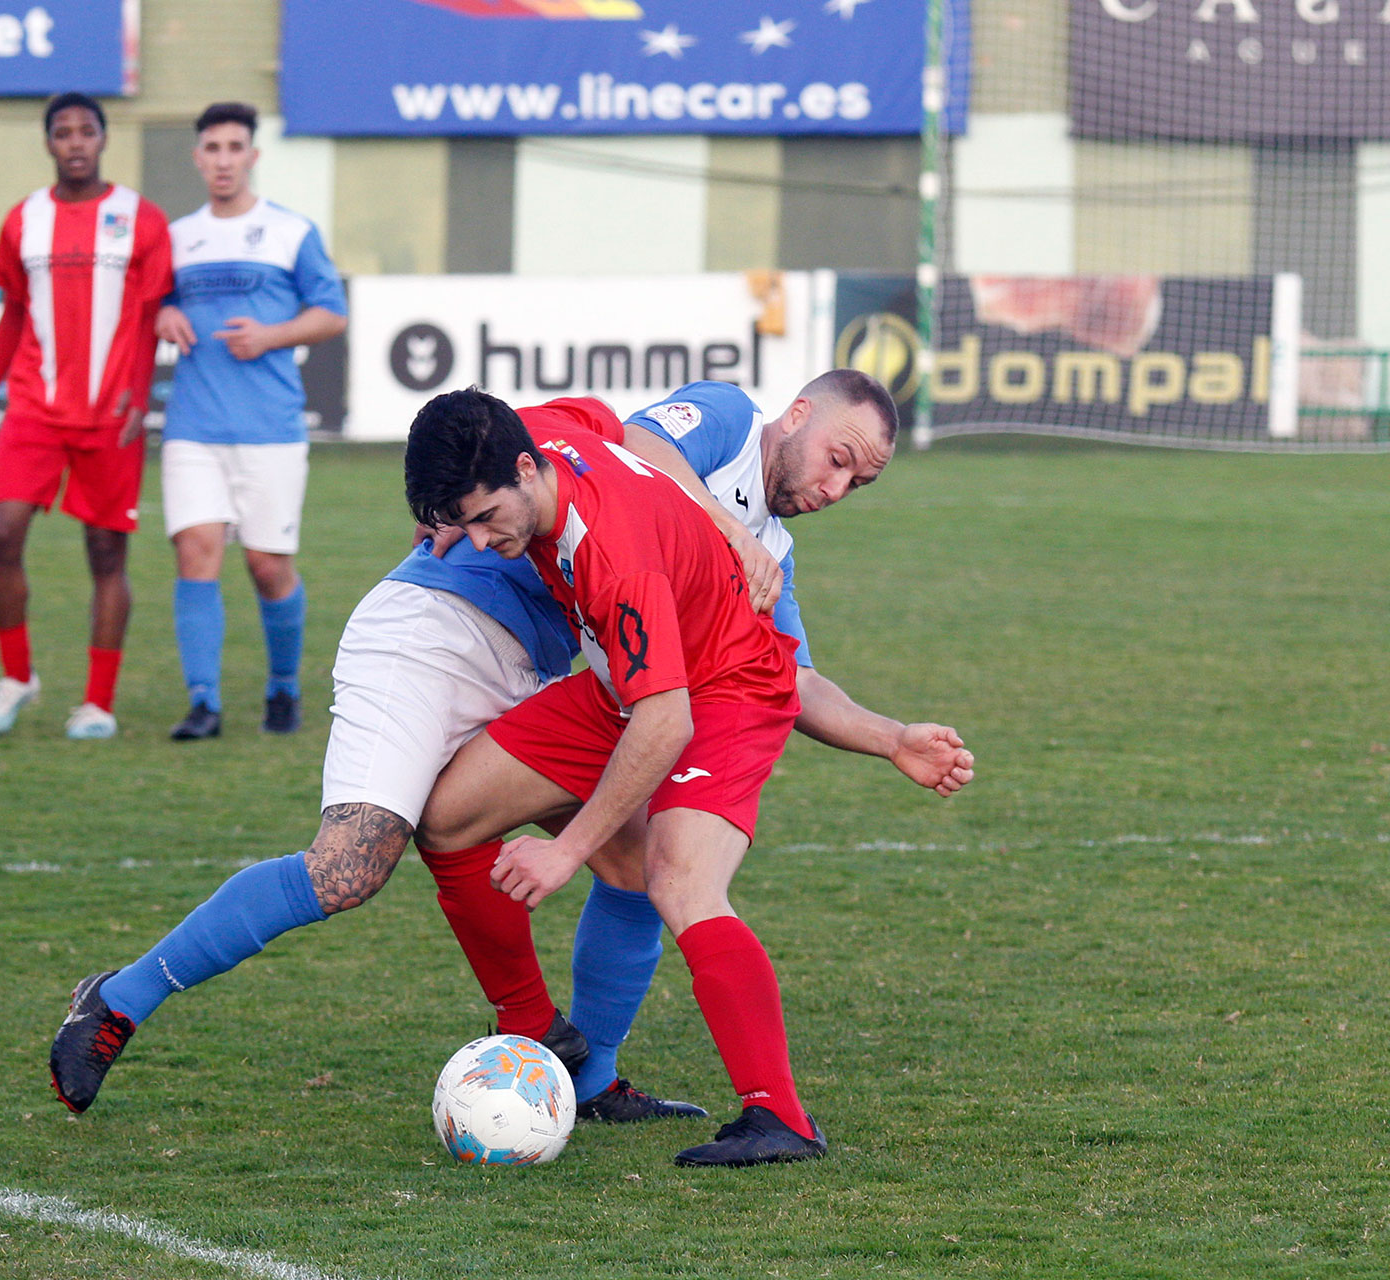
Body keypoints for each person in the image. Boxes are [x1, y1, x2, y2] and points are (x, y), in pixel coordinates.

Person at [404, 387, 968, 1168]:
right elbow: (602, 422)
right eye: (838, 461)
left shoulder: (617, 555)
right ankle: (537, 1028)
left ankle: (780, 1118)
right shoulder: (569, 441)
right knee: (446, 819)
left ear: (528, 473)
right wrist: (446, 507)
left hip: (726, 694)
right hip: (630, 685)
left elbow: (671, 722)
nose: (478, 538)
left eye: (484, 519)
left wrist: (565, 851)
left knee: (680, 881)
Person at [47, 511, 705, 1124]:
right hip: (430, 634)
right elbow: (488, 442)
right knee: (346, 868)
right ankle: (121, 999)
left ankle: (587, 1080)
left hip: (534, 665)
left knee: (636, 860)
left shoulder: (736, 514)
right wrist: (443, 496)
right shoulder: (676, 443)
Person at [0, 93, 173, 740]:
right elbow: (12, 317)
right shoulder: (23, 219)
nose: (76, 142)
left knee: (106, 553)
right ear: (49, 143)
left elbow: (149, 317)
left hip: (110, 415)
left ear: (103, 139)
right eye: (63, 132)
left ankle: (97, 704)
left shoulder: (140, 218)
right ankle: (16, 676)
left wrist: (138, 396)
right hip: (34, 408)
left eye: (87, 131)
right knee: (2, 532)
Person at [155, 101, 348, 741]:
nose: (224, 160)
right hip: (193, 426)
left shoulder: (290, 231)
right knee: (196, 552)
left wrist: (271, 335)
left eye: (235, 147)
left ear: (253, 156)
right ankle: (203, 704)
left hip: (270, 427)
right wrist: (161, 312)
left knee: (267, 565)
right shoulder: (177, 237)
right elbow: (150, 301)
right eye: (212, 148)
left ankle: (284, 687)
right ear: (197, 158)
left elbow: (331, 312)